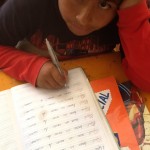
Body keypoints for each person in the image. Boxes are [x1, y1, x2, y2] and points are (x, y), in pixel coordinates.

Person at [0, 0, 149, 91]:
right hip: (25, 88)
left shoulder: (125, 12)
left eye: (104, 4)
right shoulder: (27, 5)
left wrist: (133, 10)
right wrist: (31, 67)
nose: (83, 19)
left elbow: (146, 80)